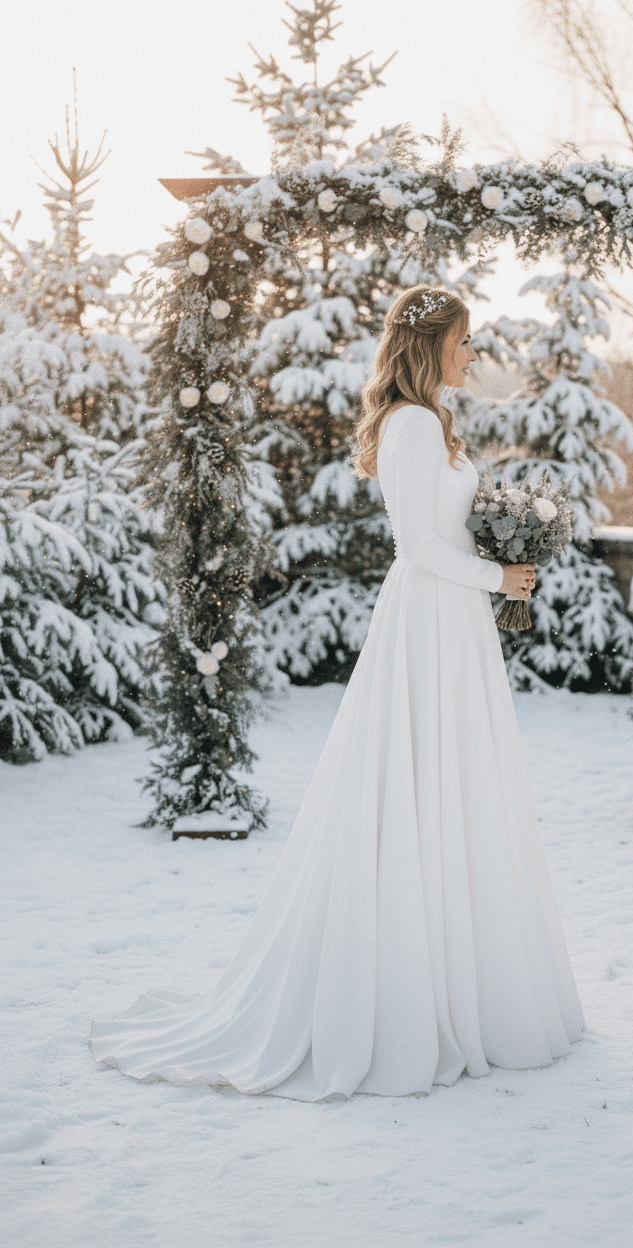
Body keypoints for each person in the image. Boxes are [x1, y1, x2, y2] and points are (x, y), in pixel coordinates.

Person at [89, 285, 585, 1101]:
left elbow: (448, 529)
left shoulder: (433, 420)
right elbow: (419, 543)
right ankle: (410, 993)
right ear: (430, 345)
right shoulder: (414, 424)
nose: (473, 354)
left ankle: (463, 975)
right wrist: (500, 572)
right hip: (430, 617)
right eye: (464, 341)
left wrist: (499, 548)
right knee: (417, 783)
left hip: (454, 622)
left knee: (454, 785)